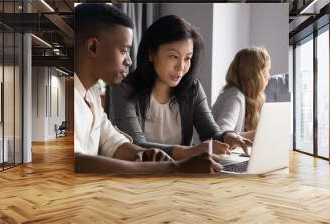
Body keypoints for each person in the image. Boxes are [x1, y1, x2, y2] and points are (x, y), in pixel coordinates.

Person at [74, 3, 222, 174]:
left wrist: (150, 156)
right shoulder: (69, 97)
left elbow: (114, 143)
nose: (129, 61)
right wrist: (175, 167)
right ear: (93, 47)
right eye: (124, 51)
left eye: (187, 58)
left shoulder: (91, 93)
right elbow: (77, 161)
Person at [112, 15, 251, 161]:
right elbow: (136, 146)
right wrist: (190, 151)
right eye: (173, 56)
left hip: (182, 173)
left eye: (187, 58)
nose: (181, 67)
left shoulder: (193, 89)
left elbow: (210, 133)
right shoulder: (124, 89)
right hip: (140, 175)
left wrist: (227, 136)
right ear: (151, 53)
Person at [212, 47, 271, 142]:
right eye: (265, 71)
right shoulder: (235, 96)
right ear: (254, 75)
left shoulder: (240, 95)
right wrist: (255, 135)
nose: (268, 76)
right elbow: (221, 135)